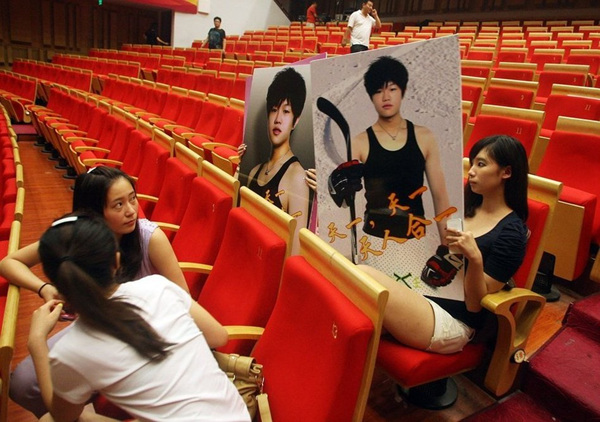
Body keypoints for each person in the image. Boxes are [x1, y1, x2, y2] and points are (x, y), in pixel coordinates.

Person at [0, 166, 190, 417]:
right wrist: (45, 288)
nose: (131, 211)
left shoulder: (150, 238)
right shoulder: (78, 236)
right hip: (95, 328)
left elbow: (183, 299)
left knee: (62, 403)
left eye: (132, 199)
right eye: (118, 205)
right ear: (94, 212)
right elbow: (9, 263)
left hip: (140, 335)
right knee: (22, 384)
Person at [28, 214, 251, 421]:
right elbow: (218, 336)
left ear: (56, 281)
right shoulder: (158, 286)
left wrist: (37, 341)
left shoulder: (70, 352)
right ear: (116, 261)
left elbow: (62, 416)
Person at [360, 135, 529, 354]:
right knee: (352, 304)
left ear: (506, 172)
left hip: (453, 321)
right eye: (472, 163)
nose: (471, 171)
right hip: (419, 292)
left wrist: (475, 259)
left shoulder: (512, 233)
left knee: (363, 275)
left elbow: (475, 304)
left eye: (481, 164)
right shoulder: (461, 207)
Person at [328, 56, 451, 245]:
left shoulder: (424, 137)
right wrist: (337, 186)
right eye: (378, 91)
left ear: (403, 91)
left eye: (392, 89)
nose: (386, 97)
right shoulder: (360, 142)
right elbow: (345, 202)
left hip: (415, 239)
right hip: (373, 239)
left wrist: (447, 246)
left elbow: (440, 196)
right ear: (371, 96)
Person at [244, 67, 310, 237]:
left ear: (296, 121)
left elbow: (295, 248)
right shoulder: (253, 172)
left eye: (286, 111)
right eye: (274, 110)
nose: (278, 119)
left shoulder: (297, 178)